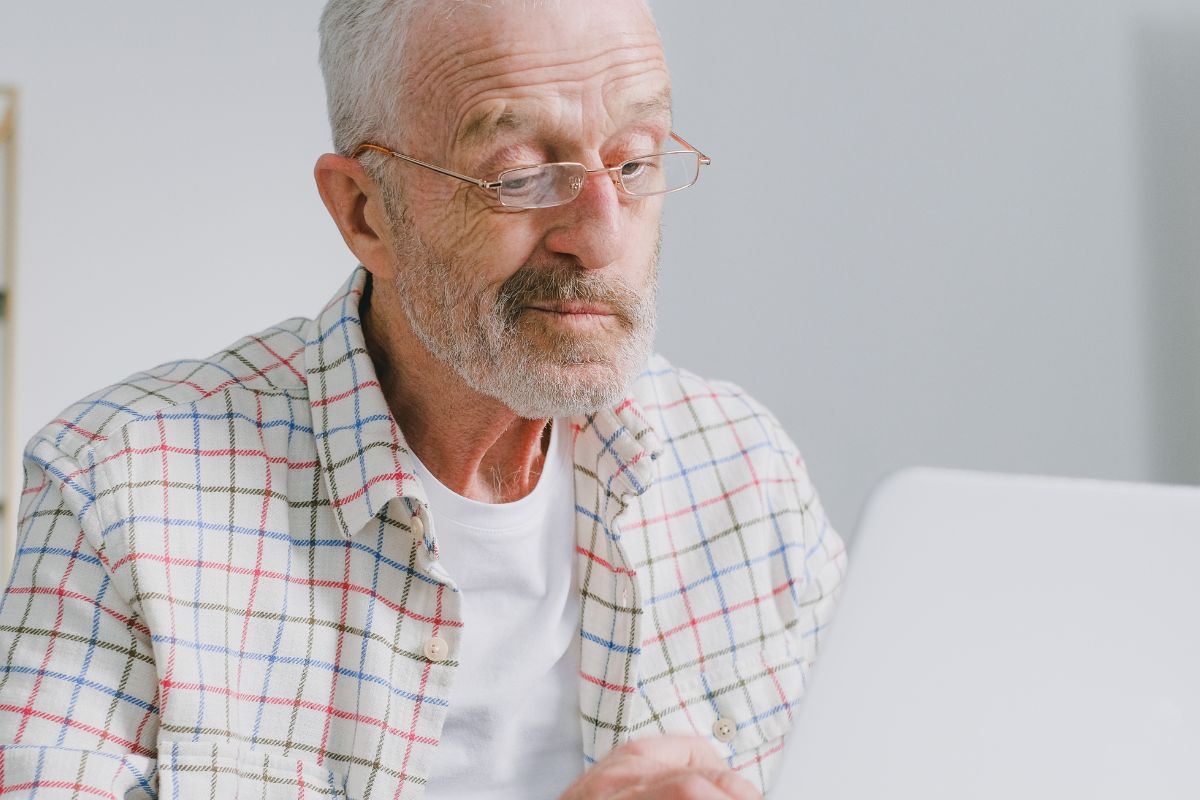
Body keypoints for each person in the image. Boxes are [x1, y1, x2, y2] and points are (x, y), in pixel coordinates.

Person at [0, 0, 847, 797]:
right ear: (366, 212)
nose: (601, 235)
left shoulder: (747, 475)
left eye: (634, 163)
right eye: (521, 175)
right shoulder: (120, 493)